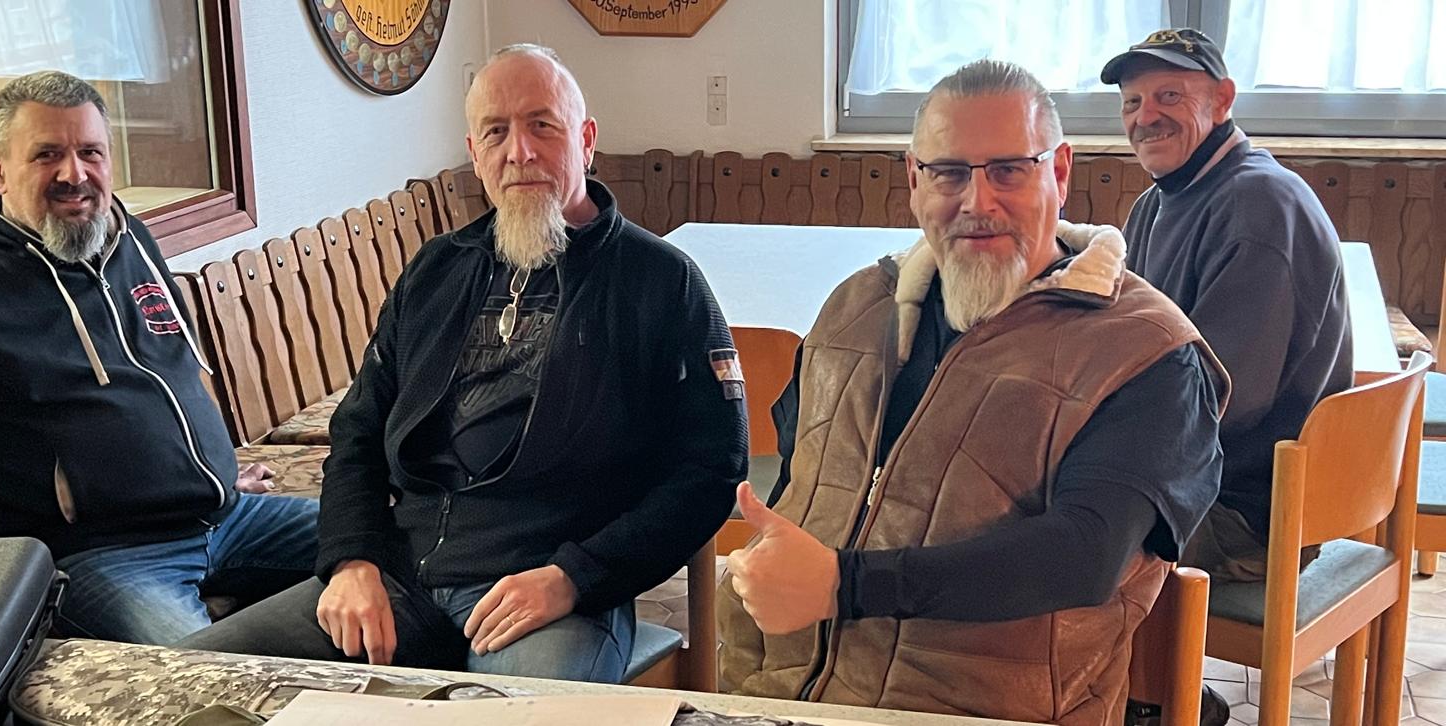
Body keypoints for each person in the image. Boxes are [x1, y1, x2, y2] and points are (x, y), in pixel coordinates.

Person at [177, 44, 745, 684]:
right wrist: (351, 560)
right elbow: (358, 431)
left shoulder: (662, 281)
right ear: (475, 154)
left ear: (586, 141)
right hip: (400, 577)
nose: (519, 152)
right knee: (187, 682)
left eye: (542, 125)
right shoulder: (436, 270)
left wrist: (576, 576)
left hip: (549, 590)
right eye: (496, 132)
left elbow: (712, 468)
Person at [717, 60, 1226, 726]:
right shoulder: (855, 309)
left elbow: (1085, 555)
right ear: (913, 180)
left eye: (1009, 170)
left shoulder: (1147, 352)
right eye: (949, 173)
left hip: (986, 710)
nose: (978, 203)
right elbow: (800, 483)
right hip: (769, 695)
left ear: (1060, 172)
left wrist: (845, 585)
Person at [0, 70, 319, 645]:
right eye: (47, 154)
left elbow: (169, 372)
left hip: (228, 516)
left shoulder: (126, 237)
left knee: (398, 543)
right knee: (204, 678)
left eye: (90, 152)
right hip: (100, 557)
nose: (75, 174)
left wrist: (205, 471)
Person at [1103, 28, 1352, 582]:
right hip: (1190, 480)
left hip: (1238, 512)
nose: (1146, 117)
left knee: (1038, 531)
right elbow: (1121, 343)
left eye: (1169, 96)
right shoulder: (1157, 201)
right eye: (1132, 102)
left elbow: (1216, 399)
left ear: (1222, 100)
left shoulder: (1259, 206)